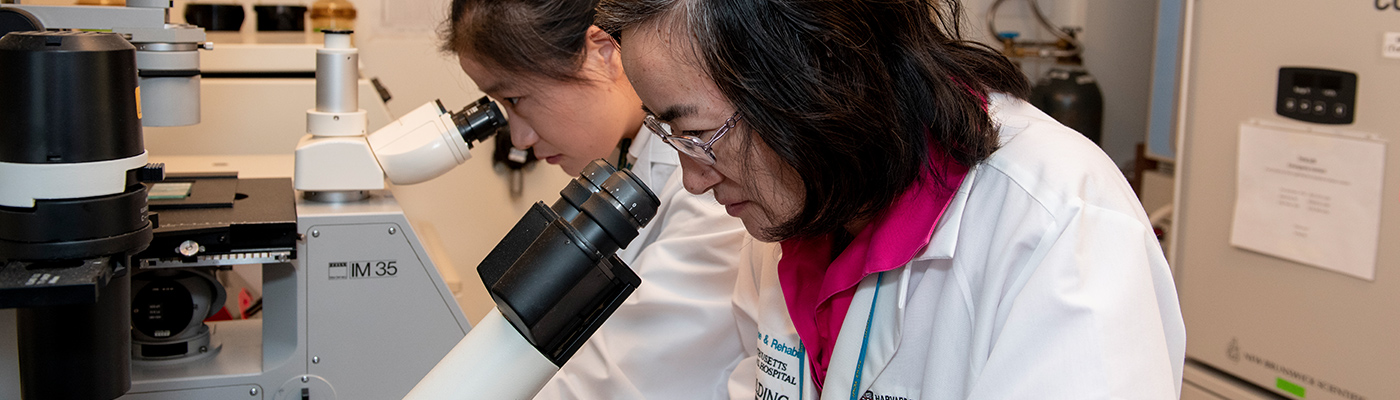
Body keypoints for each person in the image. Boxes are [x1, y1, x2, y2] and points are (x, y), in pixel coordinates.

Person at [596, 0, 1187, 399]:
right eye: (671, 137)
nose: (693, 180)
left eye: (699, 134)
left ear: (818, 76)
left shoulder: (1058, 225)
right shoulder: (790, 209)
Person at [440, 1, 750, 399]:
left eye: (515, 99)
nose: (519, 138)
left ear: (602, 52)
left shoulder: (716, 191)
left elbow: (621, 378)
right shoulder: (632, 160)